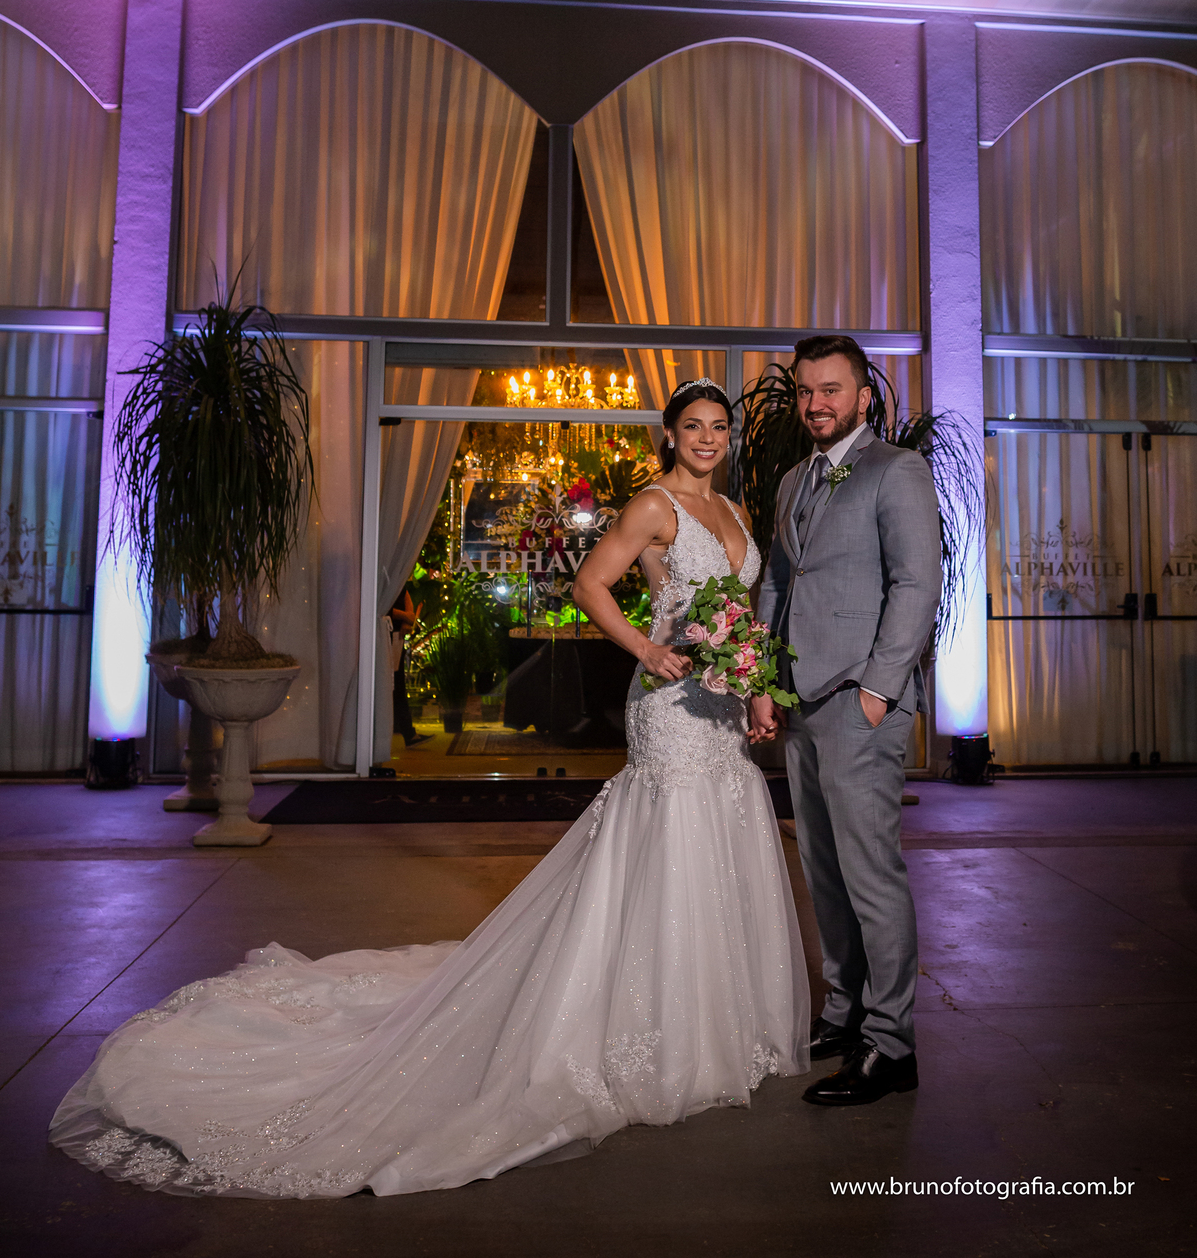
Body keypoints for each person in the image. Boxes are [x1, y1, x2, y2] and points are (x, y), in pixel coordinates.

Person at [49, 379, 809, 1199]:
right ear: (669, 433)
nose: (707, 438)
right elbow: (591, 585)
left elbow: (743, 613)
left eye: (718, 427)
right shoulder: (654, 506)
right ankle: (658, 1025)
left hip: (722, 707)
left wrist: (756, 691)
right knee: (671, 841)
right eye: (693, 426)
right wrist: (647, 650)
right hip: (668, 705)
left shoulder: (732, 510)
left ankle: (716, 1021)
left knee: (718, 835)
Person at [755, 335, 942, 1107]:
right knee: (825, 873)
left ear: (864, 396)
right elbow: (778, 582)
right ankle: (845, 1014)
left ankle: (892, 1046)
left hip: (861, 704)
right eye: (805, 391)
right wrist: (765, 681)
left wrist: (877, 689)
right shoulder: (794, 478)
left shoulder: (897, 471)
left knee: (870, 875)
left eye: (830, 389)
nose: (815, 404)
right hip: (801, 700)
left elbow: (917, 584)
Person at [384, 589, 429, 747]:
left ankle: (408, 732)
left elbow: (405, 594)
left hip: (396, 635)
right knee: (393, 684)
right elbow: (380, 608)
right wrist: (405, 616)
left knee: (398, 683)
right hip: (386, 633)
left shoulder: (397, 582)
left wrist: (407, 619)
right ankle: (406, 732)